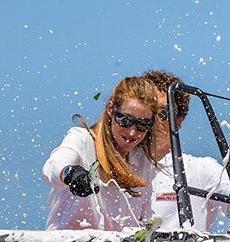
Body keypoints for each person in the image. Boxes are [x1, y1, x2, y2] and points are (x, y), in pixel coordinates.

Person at [42, 77, 159, 231]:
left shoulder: (144, 162)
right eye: (125, 120)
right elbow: (52, 168)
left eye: (143, 125)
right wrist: (71, 174)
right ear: (111, 109)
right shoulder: (82, 139)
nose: (132, 132)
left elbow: (145, 220)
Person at [143, 70, 230, 231]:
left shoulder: (200, 169)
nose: (152, 120)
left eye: (162, 113)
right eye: (147, 112)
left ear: (179, 119)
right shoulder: (114, 167)